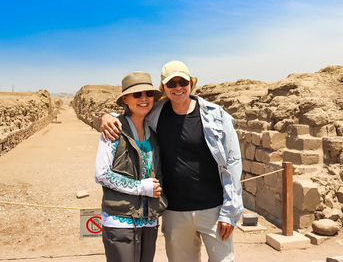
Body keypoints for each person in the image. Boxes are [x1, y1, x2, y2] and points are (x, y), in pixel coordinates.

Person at [101, 61, 243, 262]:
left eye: (182, 82)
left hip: (213, 209)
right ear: (164, 88)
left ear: (191, 84)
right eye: (172, 83)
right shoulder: (155, 114)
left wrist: (230, 212)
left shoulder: (216, 116)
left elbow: (233, 164)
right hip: (175, 212)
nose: (178, 87)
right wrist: (106, 117)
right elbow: (131, 114)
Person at [95, 71, 168, 262]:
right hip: (121, 219)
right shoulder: (113, 129)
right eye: (137, 94)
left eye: (148, 94)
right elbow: (101, 174)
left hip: (149, 219)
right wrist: (141, 188)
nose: (144, 99)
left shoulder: (154, 133)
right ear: (125, 99)